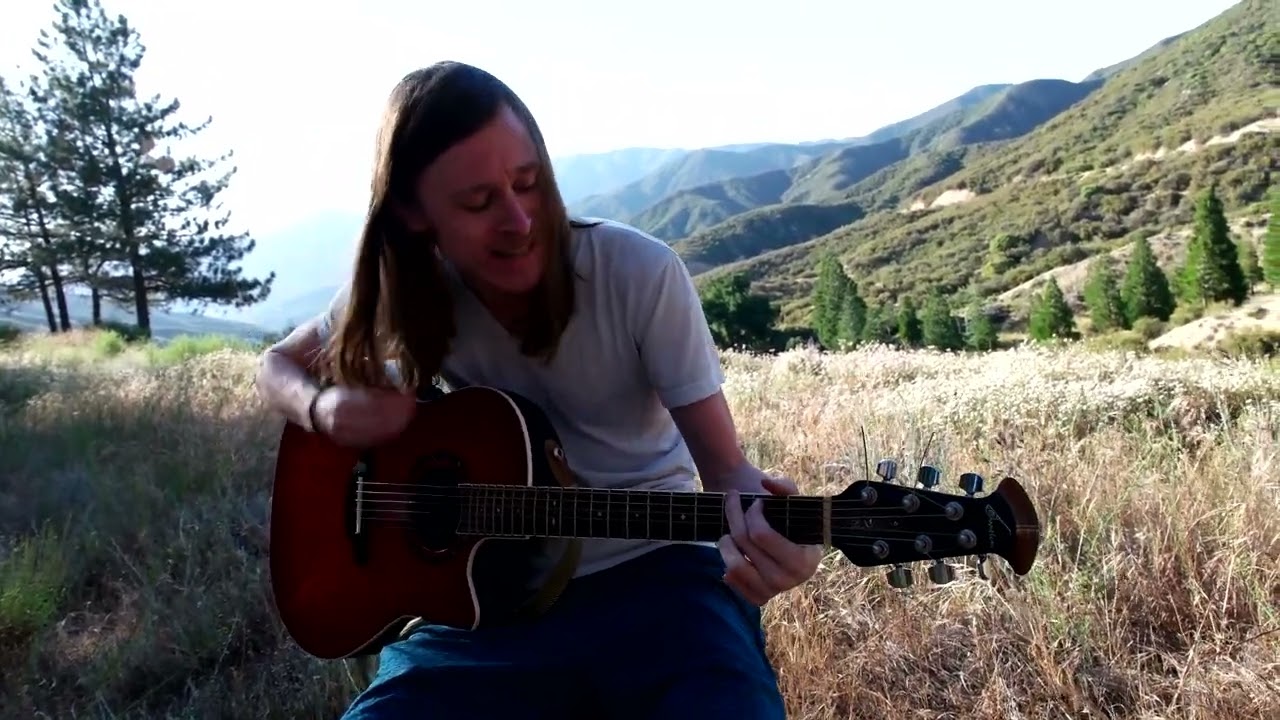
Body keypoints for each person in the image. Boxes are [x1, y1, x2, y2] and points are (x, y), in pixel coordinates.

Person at [253, 60, 823, 719]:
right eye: (476, 202)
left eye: (530, 184)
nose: (520, 221)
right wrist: (324, 409)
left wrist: (782, 534)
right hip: (477, 608)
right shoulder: (407, 290)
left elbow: (726, 471)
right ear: (412, 212)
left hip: (664, 585)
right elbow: (276, 367)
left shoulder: (638, 273)